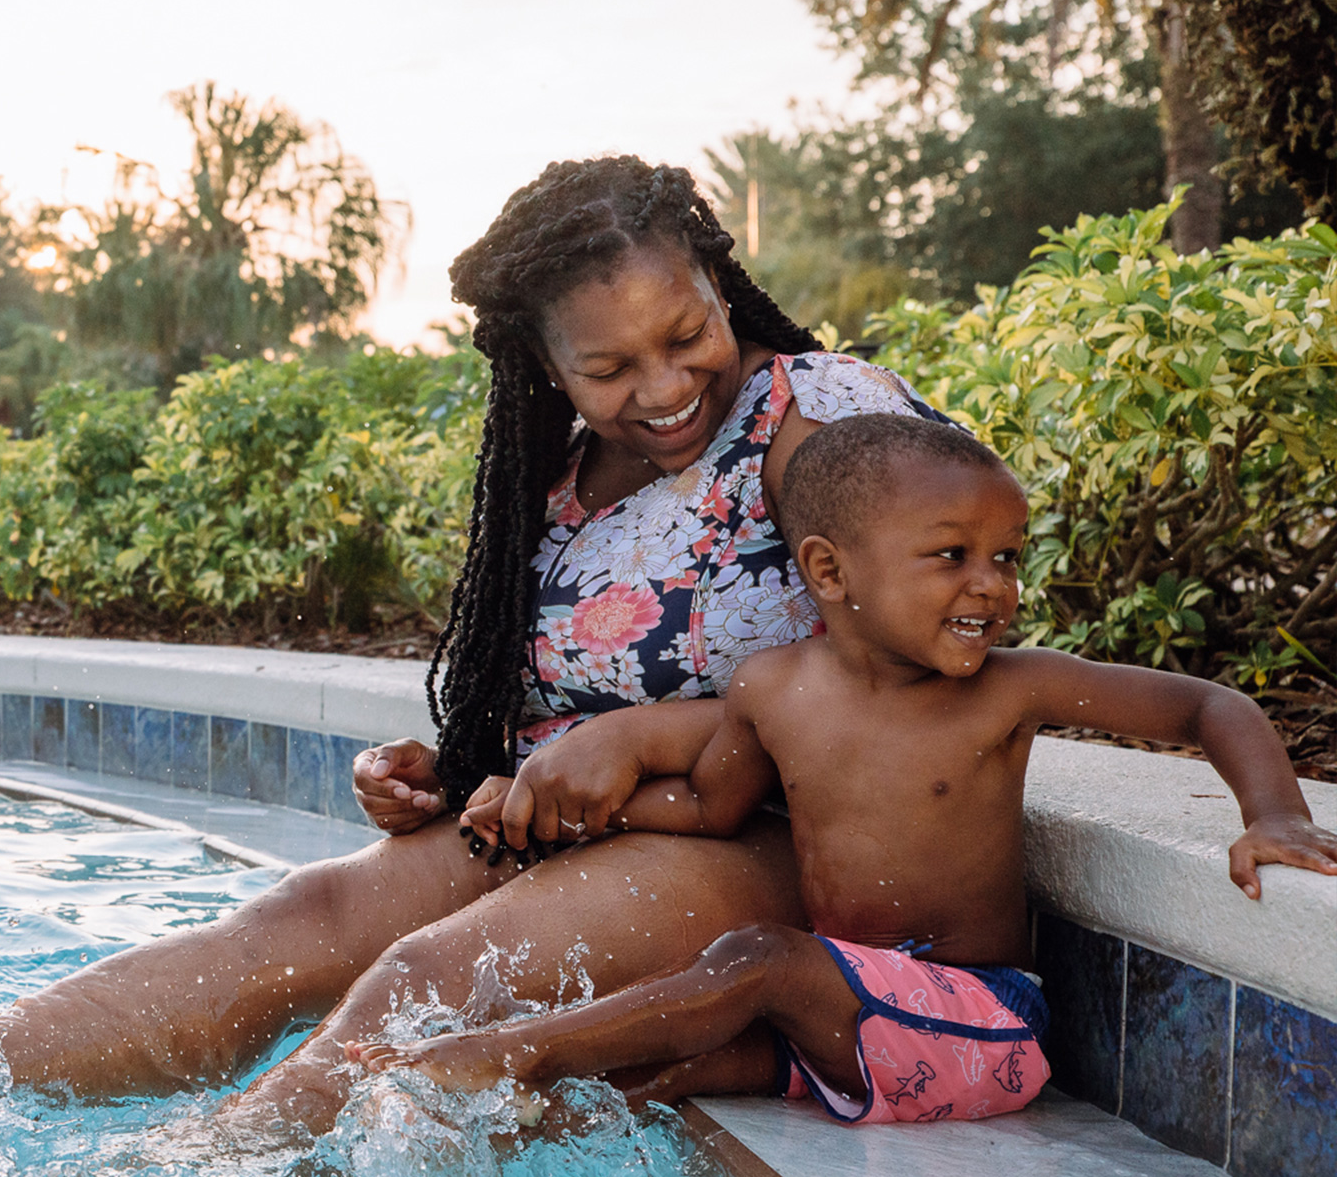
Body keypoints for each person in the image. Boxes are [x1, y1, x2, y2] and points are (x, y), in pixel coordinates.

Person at [0, 157, 950, 1139]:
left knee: (430, 976)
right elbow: (564, 688)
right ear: (547, 365)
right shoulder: (560, 472)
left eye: (687, 334)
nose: (666, 386)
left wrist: (643, 750)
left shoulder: (818, 419)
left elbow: (927, 665)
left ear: (719, 286)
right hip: (576, 824)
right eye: (610, 365)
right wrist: (460, 770)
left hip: (771, 842)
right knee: (303, 919)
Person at [351, 415, 1337, 1122]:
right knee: (635, 1087)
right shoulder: (773, 691)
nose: (992, 586)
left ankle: (506, 1048)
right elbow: (706, 807)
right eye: (951, 556)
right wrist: (563, 809)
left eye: (1007, 555)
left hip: (979, 1024)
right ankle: (475, 1108)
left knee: (758, 958)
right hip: (838, 1022)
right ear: (829, 572)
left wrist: (1276, 814)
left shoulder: (1012, 690)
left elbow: (1210, 704)